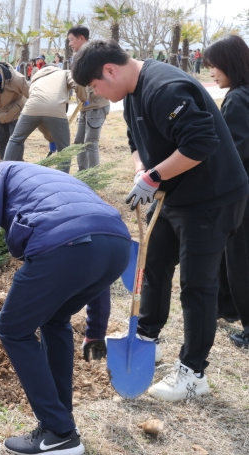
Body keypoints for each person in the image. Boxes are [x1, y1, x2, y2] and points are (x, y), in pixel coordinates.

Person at [72, 39, 249, 401]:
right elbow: (134, 139)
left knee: (197, 285)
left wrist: (154, 177)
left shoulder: (165, 88)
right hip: (175, 195)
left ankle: (193, 373)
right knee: (152, 263)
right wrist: (142, 170)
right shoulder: (132, 93)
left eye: (94, 86)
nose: (96, 93)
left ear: (110, 70)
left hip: (212, 198)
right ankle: (146, 337)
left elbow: (201, 143)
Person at [0, 161, 130, 455]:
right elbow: (94, 246)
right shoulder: (50, 179)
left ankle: (59, 431)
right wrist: (96, 330)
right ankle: (62, 424)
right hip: (118, 245)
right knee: (56, 319)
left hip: (64, 245)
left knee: (13, 329)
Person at [203, 35, 249, 348]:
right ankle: (229, 307)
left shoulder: (238, 99)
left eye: (214, 66)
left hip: (241, 193)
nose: (211, 73)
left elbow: (233, 152)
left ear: (230, 64)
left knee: (240, 258)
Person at [3, 63, 87, 173]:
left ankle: (3, 171)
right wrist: (84, 98)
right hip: (55, 109)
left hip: (31, 108)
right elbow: (78, 83)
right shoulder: (64, 73)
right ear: (56, 68)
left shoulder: (35, 77)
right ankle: (62, 178)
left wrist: (51, 139)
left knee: (15, 140)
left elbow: (42, 120)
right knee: (64, 149)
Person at [67, 25, 112, 171]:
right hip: (84, 106)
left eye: (71, 40)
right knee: (79, 142)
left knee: (90, 143)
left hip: (97, 105)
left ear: (81, 38)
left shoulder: (95, 55)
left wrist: (92, 94)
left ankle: (93, 177)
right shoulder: (78, 57)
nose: (70, 44)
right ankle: (82, 173)